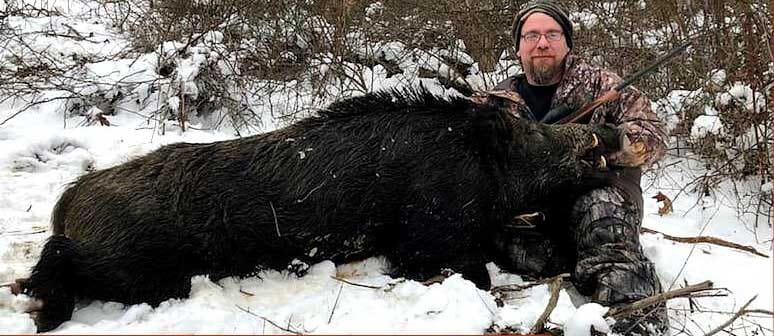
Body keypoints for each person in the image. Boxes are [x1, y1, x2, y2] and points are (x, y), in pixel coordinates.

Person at [478, 1, 670, 335]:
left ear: (567, 42)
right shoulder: (493, 102)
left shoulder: (603, 86)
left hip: (592, 201)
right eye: (532, 35)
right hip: (525, 215)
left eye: (552, 34)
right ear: (519, 46)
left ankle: (636, 320)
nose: (542, 43)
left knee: (601, 213)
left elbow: (653, 136)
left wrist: (603, 144)